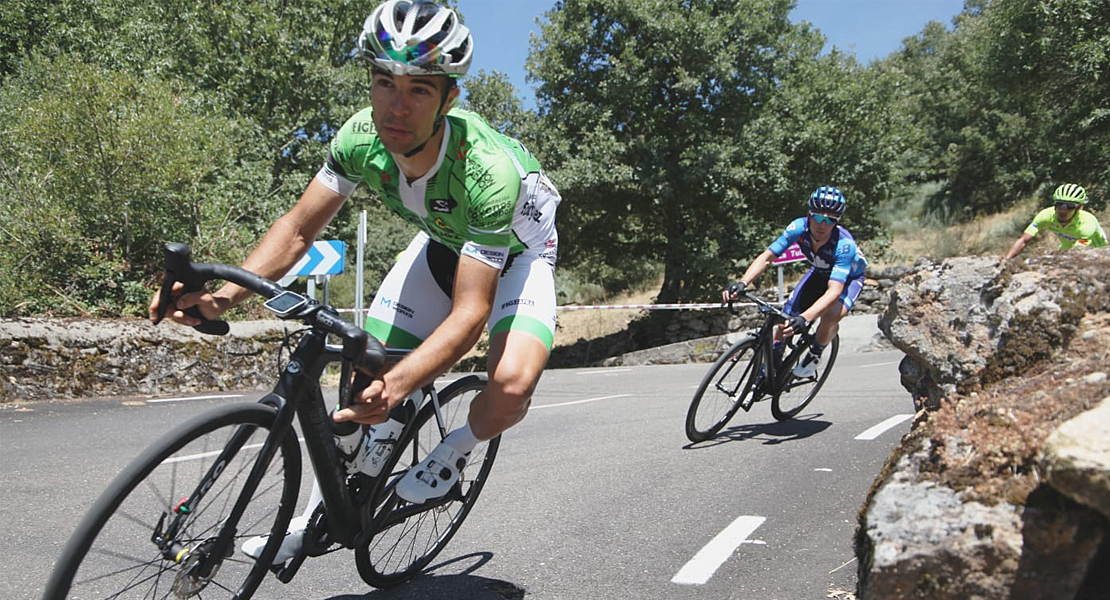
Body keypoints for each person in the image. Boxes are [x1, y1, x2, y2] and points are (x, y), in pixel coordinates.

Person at [149, 0, 560, 563]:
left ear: (449, 98)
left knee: (510, 385)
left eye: (419, 89)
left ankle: (453, 452)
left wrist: (399, 384)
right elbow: (296, 230)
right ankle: (318, 512)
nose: (396, 105)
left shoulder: (487, 171)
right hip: (441, 244)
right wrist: (222, 297)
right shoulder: (358, 138)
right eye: (384, 82)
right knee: (361, 367)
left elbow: (469, 315)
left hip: (518, 258)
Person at [721, 186, 867, 377]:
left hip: (848, 280)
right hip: (820, 272)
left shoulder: (844, 245)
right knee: (784, 321)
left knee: (830, 315)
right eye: (818, 217)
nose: (823, 224)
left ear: (837, 221)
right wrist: (742, 282)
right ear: (809, 214)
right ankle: (767, 369)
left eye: (830, 219)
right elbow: (767, 257)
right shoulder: (798, 227)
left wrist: (805, 318)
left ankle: (816, 352)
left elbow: (834, 291)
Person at [1004, 183, 1106, 259]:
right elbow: (1023, 240)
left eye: (1069, 206)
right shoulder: (1046, 215)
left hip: (1096, 249)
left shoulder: (1087, 223)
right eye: (1059, 204)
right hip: (1067, 246)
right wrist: (1006, 261)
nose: (1063, 210)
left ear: (1078, 207)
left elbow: (1077, 251)